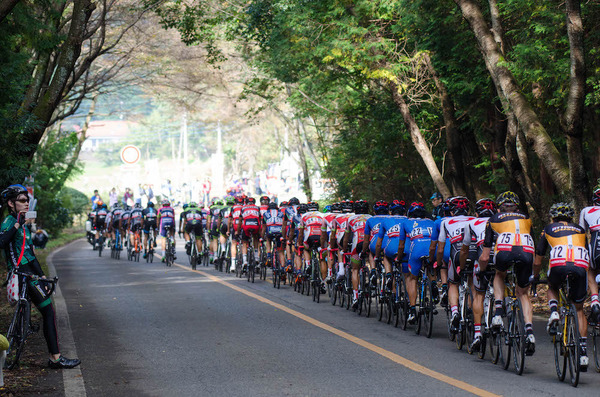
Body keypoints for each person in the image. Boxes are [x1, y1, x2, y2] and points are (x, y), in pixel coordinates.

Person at [0, 184, 80, 369]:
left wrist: (42, 276)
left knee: (42, 309)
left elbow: (30, 254)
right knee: (49, 312)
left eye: (27, 200)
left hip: (30, 273)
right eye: (22, 200)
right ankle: (55, 358)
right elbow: (2, 241)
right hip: (21, 275)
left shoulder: (25, 225)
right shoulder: (10, 222)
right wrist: (18, 223)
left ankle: (23, 337)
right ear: (11, 204)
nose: (26, 203)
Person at [479, 191, 536, 355]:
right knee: (523, 293)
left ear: (499, 208)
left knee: (499, 274)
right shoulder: (526, 218)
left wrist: (482, 272)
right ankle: (530, 332)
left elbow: (484, 256)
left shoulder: (493, 220)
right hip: (526, 252)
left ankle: (497, 312)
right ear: (517, 208)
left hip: (504, 251)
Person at [534, 202, 589, 370]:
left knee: (552, 287)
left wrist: (535, 277)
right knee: (578, 309)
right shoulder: (580, 230)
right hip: (580, 264)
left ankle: (553, 312)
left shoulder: (548, 229)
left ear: (553, 217)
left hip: (559, 263)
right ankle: (584, 353)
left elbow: (539, 257)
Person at [459, 198, 497, 352]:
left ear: (476, 213)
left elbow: (465, 249)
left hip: (482, 259)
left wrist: (461, 268)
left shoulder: (472, 223)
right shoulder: (499, 221)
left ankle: (477, 334)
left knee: (478, 294)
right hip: (501, 259)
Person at [436, 196, 474, 333]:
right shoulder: (475, 220)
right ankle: (470, 311)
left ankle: (455, 311)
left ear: (451, 212)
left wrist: (439, 264)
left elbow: (440, 249)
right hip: (474, 253)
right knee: (471, 283)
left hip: (456, 254)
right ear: (468, 210)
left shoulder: (446, 221)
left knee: (453, 283)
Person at [397, 202, 437, 323]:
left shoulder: (405, 222)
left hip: (416, 249)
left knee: (412, 278)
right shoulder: (432, 222)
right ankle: (434, 288)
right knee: (431, 268)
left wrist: (399, 258)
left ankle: (413, 310)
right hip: (431, 249)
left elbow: (401, 245)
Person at [578, 187, 600, 324]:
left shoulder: (586, 211)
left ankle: (595, 301)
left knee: (591, 270)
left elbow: (581, 232)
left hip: (596, 246)